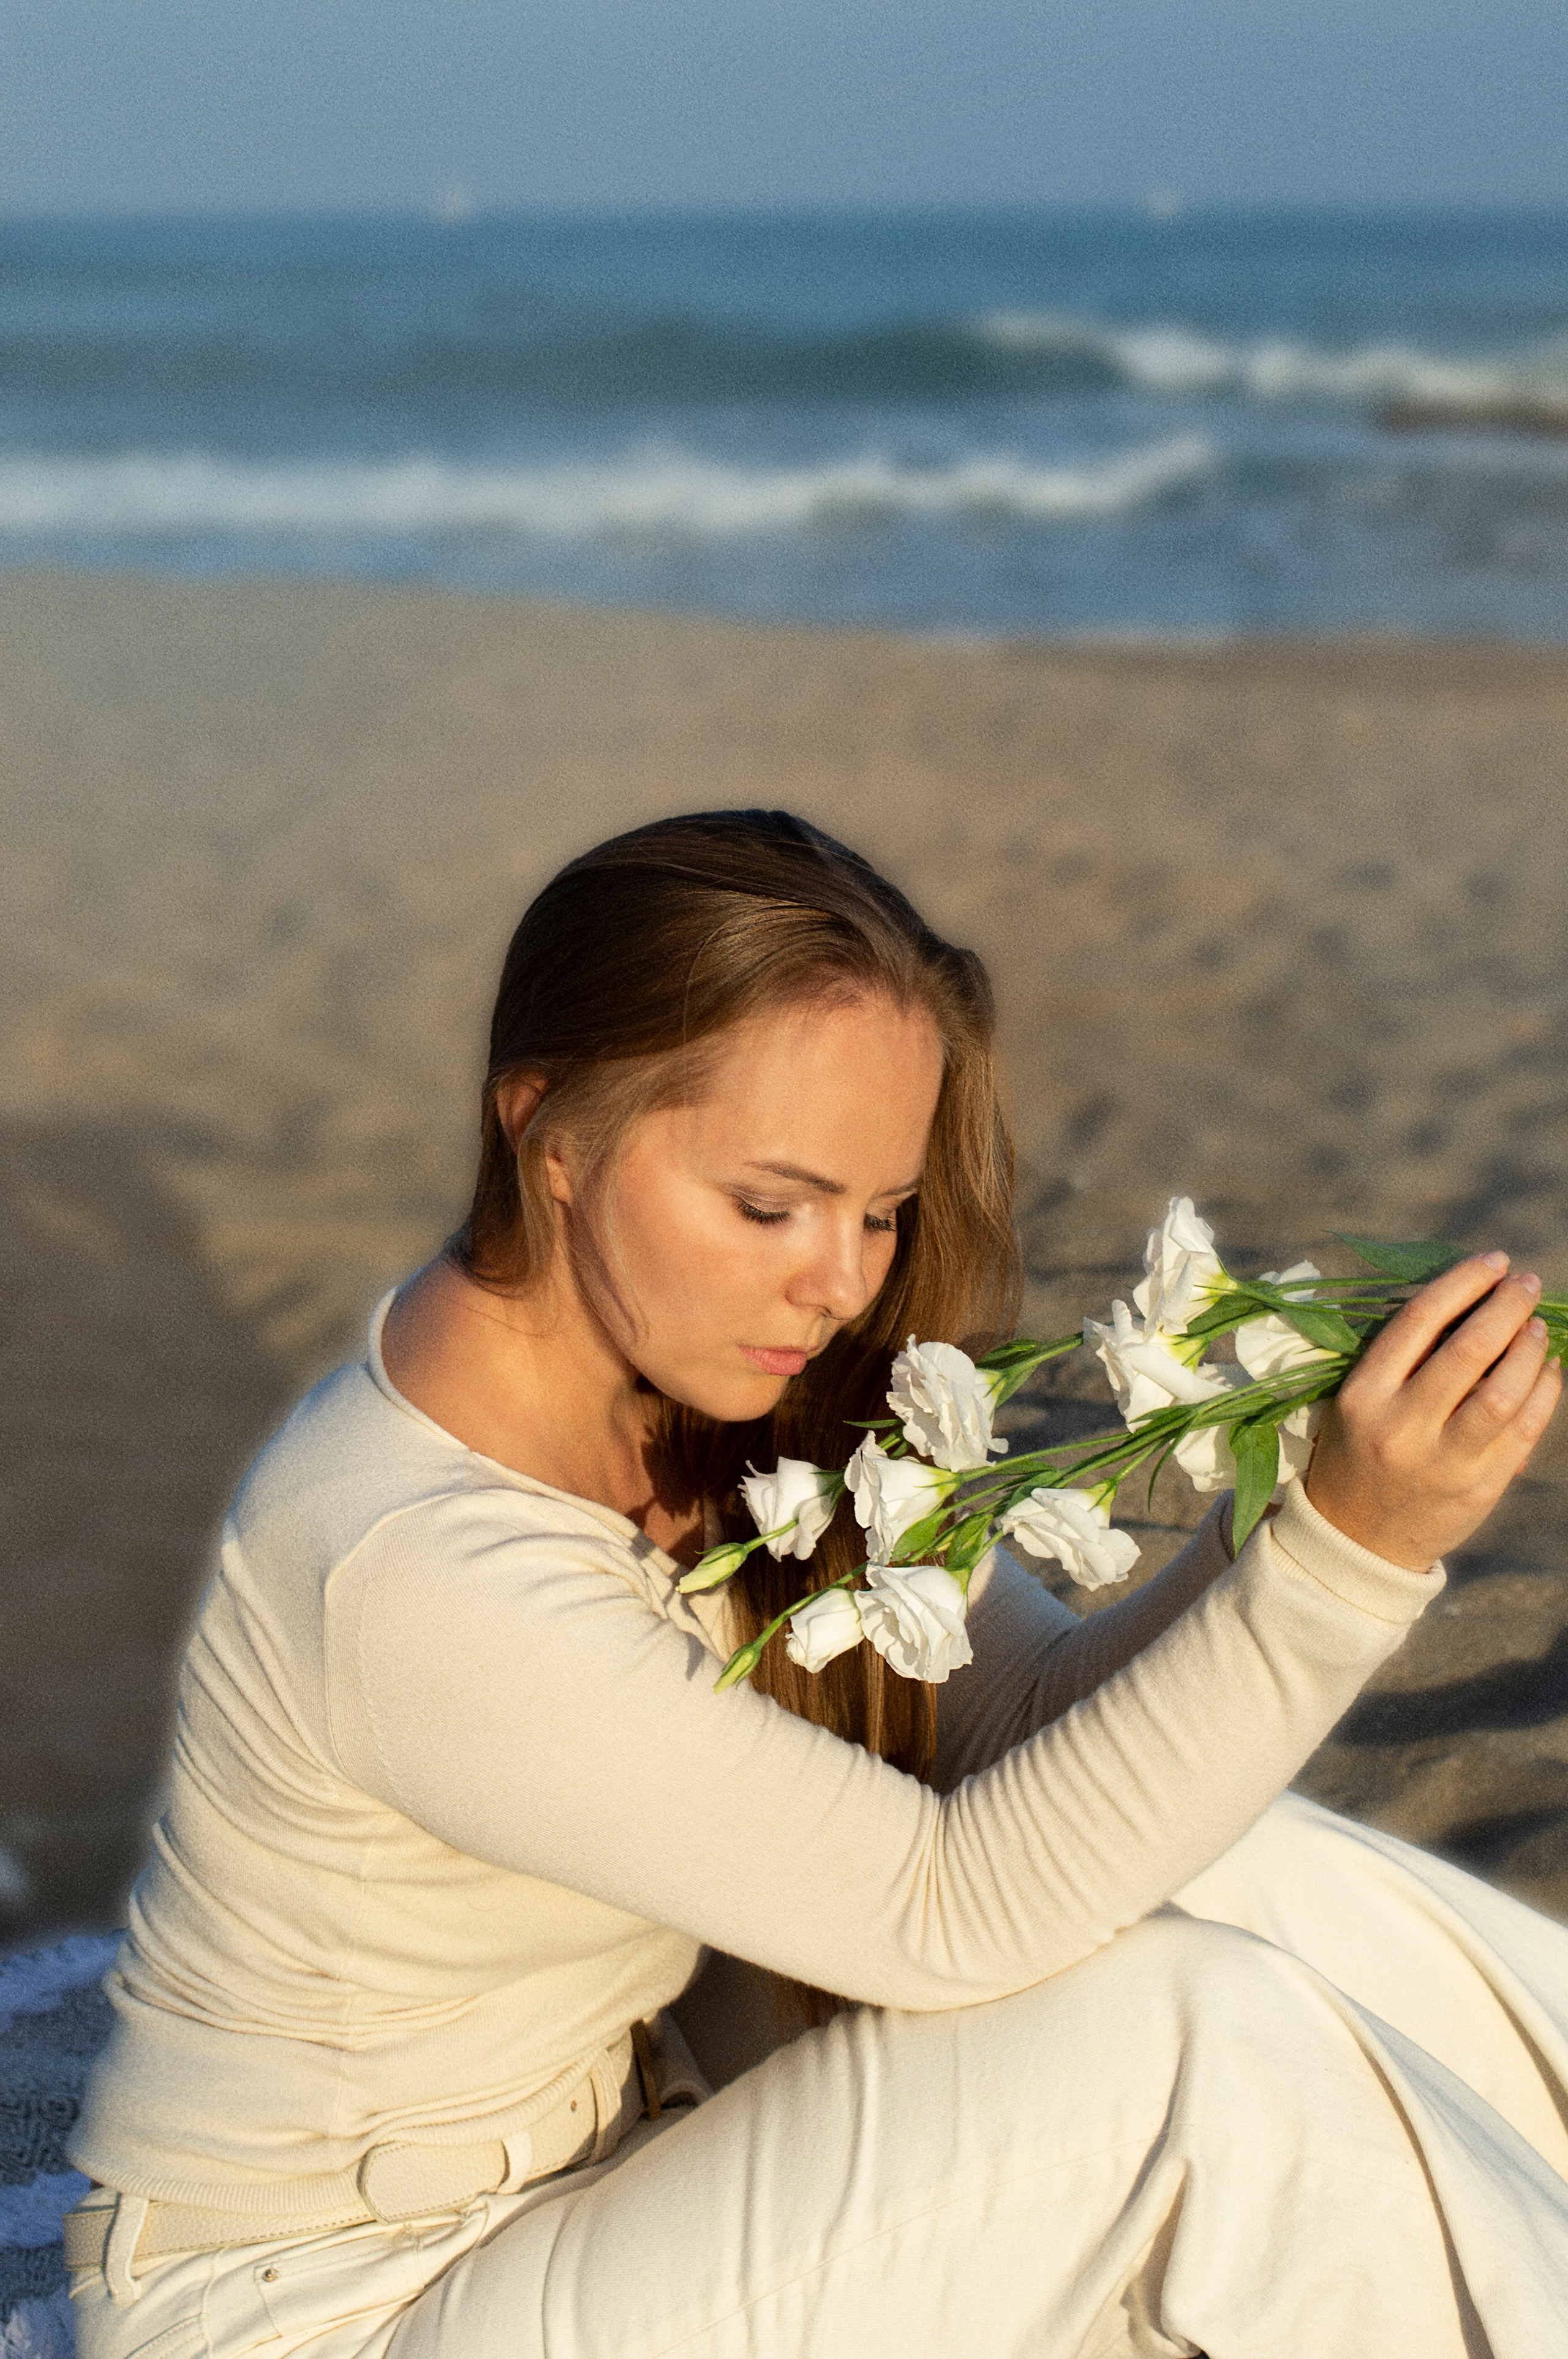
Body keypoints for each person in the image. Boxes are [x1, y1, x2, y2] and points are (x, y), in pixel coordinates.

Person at [66, 810, 1568, 2358]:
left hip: (606, 2195)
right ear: (549, 1136)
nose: (839, 1281)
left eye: (878, 1209)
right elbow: (952, 1911)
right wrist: (1345, 1555)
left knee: (1250, 1868)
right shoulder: (411, 1570)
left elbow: (1033, 1724)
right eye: (768, 1207)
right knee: (1192, 2038)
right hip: (325, 2314)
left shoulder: (702, 1405)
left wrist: (1300, 1512)